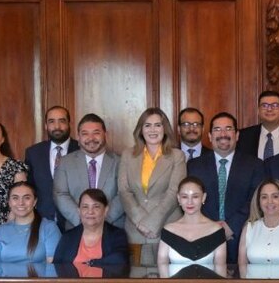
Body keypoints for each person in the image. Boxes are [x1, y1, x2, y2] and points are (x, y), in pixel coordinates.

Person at [187, 112, 264, 263]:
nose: (223, 134)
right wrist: (210, 228)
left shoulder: (255, 165)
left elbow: (255, 199)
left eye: (228, 129)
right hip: (203, 237)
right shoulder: (194, 166)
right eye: (217, 129)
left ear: (237, 135)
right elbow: (190, 200)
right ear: (209, 136)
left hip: (242, 237)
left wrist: (230, 226)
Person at [117, 107, 187, 264]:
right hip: (135, 231)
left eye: (158, 125)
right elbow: (124, 191)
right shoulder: (128, 155)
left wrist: (152, 223)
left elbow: (174, 192)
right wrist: (141, 221)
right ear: (141, 130)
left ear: (165, 128)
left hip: (167, 228)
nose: (153, 130)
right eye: (147, 125)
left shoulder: (177, 156)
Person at [53, 113, 126, 229]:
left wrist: (103, 221)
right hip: (76, 228)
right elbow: (60, 194)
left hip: (112, 228)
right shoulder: (65, 162)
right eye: (85, 134)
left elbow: (123, 194)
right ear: (78, 137)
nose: (91, 138)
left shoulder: (121, 162)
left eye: (96, 133)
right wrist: (83, 222)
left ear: (105, 135)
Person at [23, 106, 79, 228]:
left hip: (75, 223)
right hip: (42, 223)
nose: (57, 126)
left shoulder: (81, 149)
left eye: (62, 121)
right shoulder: (33, 153)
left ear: (69, 124)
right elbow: (29, 188)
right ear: (46, 126)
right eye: (51, 121)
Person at [156, 177, 227, 266]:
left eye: (195, 196)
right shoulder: (168, 231)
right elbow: (163, 271)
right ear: (178, 198)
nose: (190, 202)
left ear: (203, 197)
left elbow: (220, 271)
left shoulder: (217, 230)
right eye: (185, 197)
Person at [0, 181, 61, 263]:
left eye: (26, 198)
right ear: (9, 202)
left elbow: (52, 267)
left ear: (35, 201)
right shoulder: (0, 231)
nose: (21, 203)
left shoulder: (49, 228)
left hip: (37, 276)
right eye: (15, 198)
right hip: (6, 275)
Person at [53, 189, 129, 265]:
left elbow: (120, 260)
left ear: (105, 210)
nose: (90, 212)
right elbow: (56, 266)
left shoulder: (117, 235)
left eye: (96, 207)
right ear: (79, 211)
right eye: (85, 207)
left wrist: (92, 263)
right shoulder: (68, 237)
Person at [237, 91, 279, 160]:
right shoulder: (243, 136)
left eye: (275, 105)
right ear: (258, 110)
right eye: (264, 105)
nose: (269, 109)